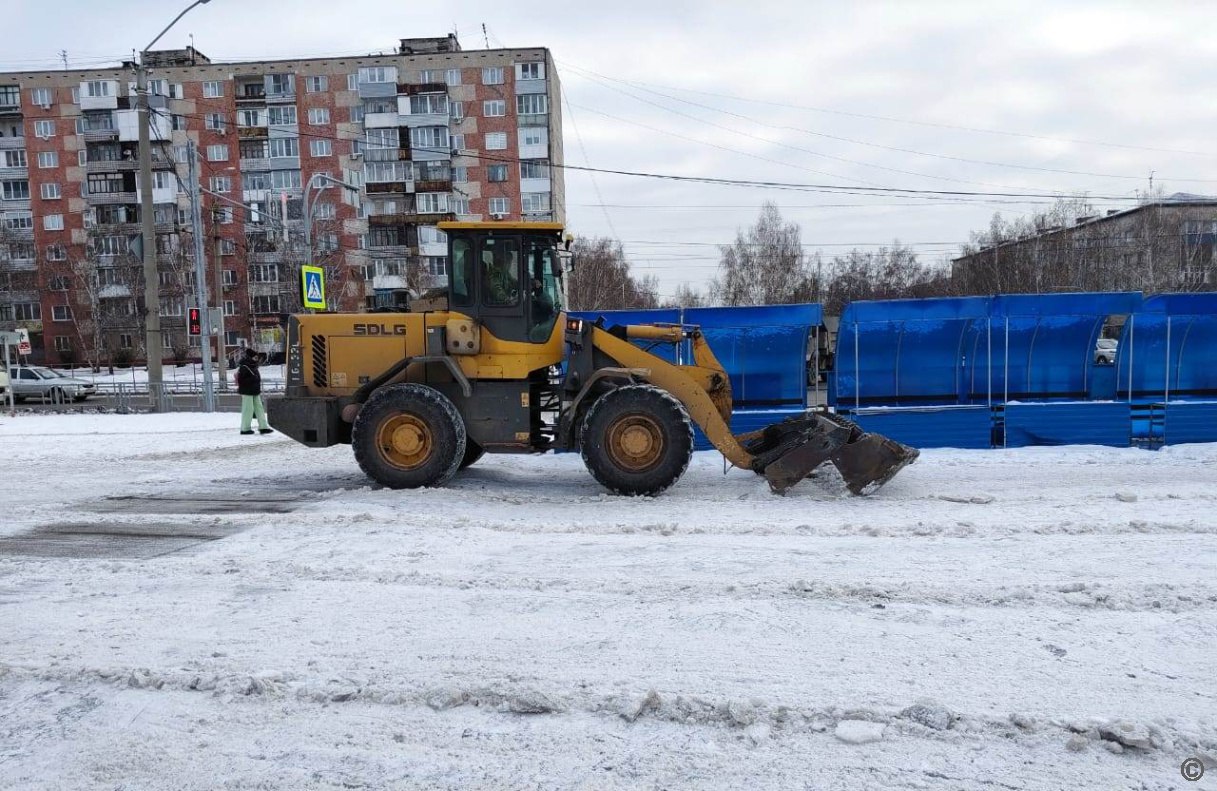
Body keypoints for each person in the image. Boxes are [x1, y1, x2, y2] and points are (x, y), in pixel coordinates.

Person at [236, 347, 272, 435]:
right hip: (247, 391)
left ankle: (263, 427)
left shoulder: (253, 367)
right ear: (249, 357)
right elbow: (242, 381)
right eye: (255, 357)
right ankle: (245, 428)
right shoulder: (244, 367)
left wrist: (254, 380)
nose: (256, 359)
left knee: (259, 409)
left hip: (255, 391)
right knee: (248, 409)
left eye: (256, 357)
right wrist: (253, 379)